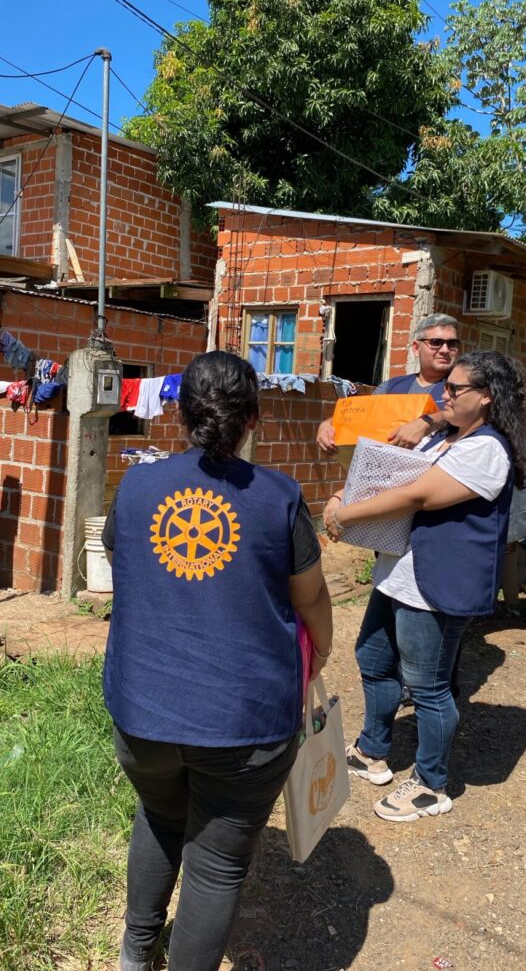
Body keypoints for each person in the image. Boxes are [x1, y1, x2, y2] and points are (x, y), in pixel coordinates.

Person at [102, 351, 333, 971]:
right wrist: (323, 651)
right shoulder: (279, 497)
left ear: (180, 414)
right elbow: (310, 598)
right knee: (217, 865)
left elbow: (123, 561)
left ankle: (134, 953)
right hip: (246, 723)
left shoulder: (136, 488)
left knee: (159, 814)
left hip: (142, 711)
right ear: (253, 418)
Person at [323, 351, 526, 823]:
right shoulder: (447, 437)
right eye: (446, 387)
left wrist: (345, 515)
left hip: (436, 586)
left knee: (429, 687)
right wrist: (342, 493)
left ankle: (431, 784)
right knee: (373, 659)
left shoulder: (487, 450)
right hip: (400, 576)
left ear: (487, 398)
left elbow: (418, 494)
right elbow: (387, 473)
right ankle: (373, 751)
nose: (444, 395)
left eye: (455, 390)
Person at [316, 313, 460, 453]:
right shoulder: (392, 386)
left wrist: (426, 423)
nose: (445, 350)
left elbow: (474, 414)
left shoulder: (468, 386)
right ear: (416, 348)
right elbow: (363, 415)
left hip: (438, 472)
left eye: (452, 343)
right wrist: (328, 424)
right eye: (436, 342)